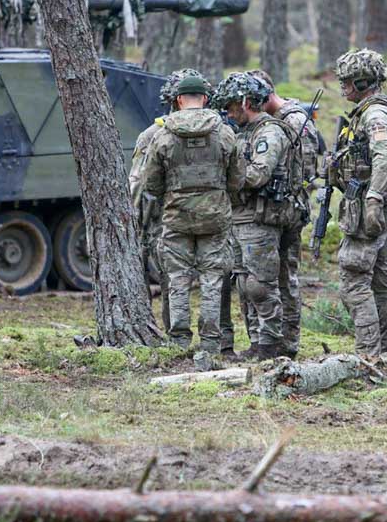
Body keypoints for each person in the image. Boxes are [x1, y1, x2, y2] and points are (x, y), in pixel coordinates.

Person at [141, 74, 241, 355]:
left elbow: (151, 182)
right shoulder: (224, 133)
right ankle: (210, 343)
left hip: (176, 217)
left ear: (178, 100)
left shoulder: (163, 135)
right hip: (215, 216)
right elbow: (237, 178)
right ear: (206, 99)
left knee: (178, 279)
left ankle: (179, 341)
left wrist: (173, 196)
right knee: (212, 279)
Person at [212, 72, 301, 360]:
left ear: (246, 102)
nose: (228, 113)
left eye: (230, 106)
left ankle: (270, 346)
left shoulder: (270, 132)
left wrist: (226, 176)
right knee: (244, 284)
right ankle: (256, 344)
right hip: (240, 218)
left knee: (260, 286)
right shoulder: (244, 133)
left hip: (260, 220)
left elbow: (258, 174)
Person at [330, 49, 387, 362]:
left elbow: (385, 156)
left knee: (353, 276)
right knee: (378, 279)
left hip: (369, 205)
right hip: (367, 201)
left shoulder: (375, 115)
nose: (343, 87)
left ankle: (368, 355)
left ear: (362, 82)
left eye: (347, 81)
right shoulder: (369, 112)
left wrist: (374, 197)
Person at [246, 69, 319, 358]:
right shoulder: (273, 120)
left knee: (285, 278)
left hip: (288, 210)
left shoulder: (294, 119)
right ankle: (267, 340)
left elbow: (308, 167)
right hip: (270, 211)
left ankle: (288, 344)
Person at [129, 69, 209, 330]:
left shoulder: (153, 135)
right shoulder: (217, 129)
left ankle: (172, 335)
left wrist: (134, 223)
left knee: (171, 281)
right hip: (208, 217)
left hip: (165, 219)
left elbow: (139, 185)